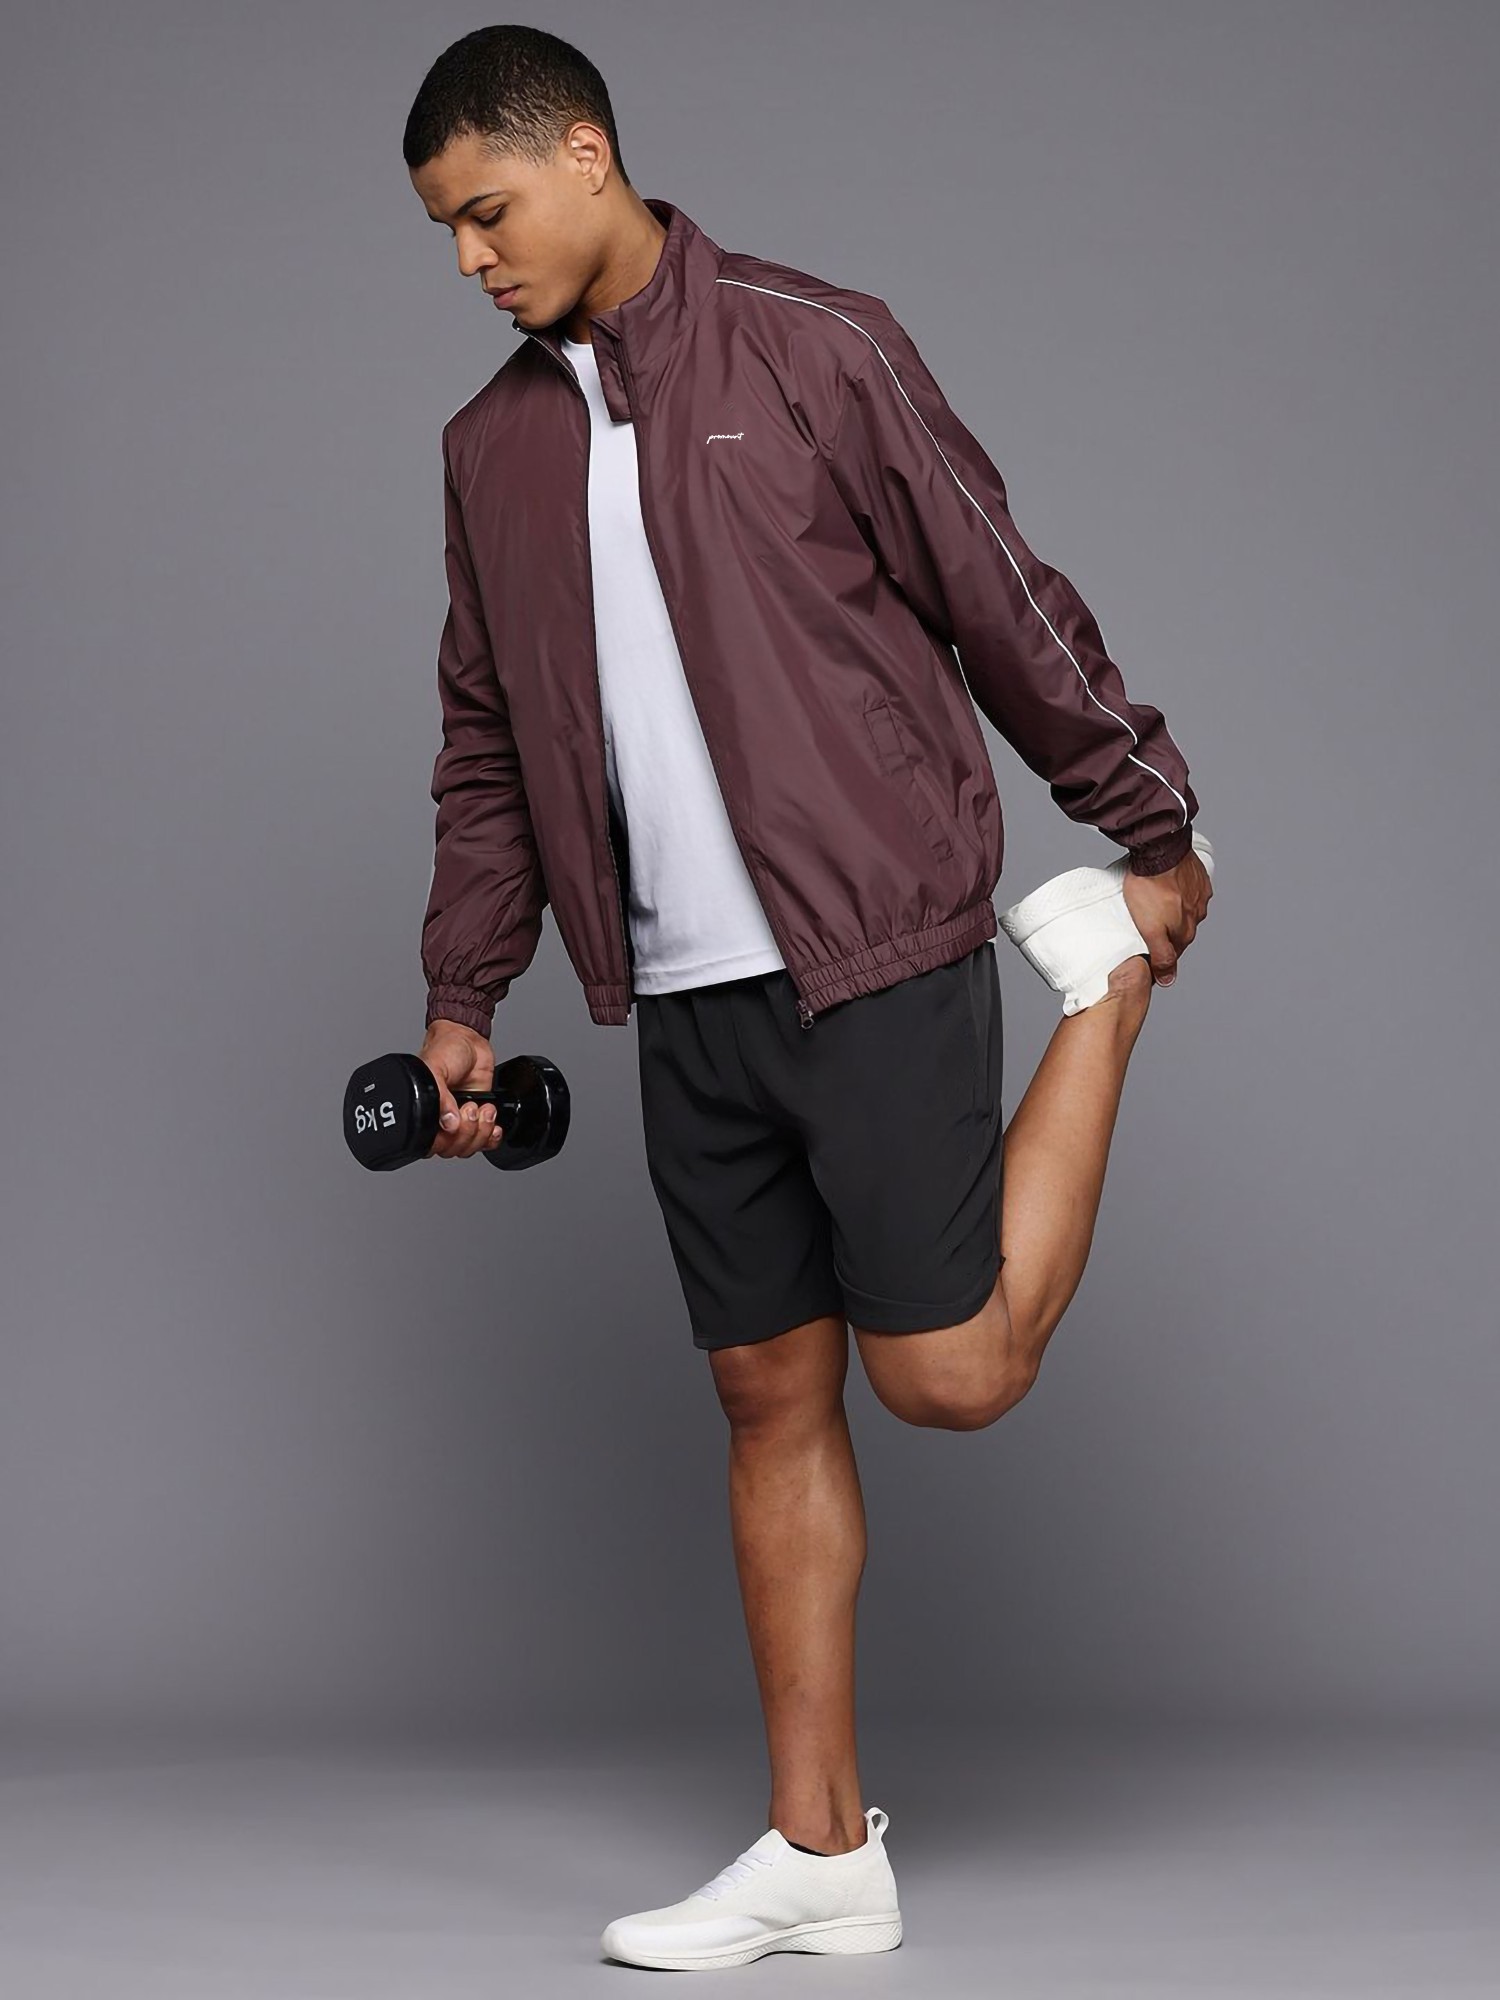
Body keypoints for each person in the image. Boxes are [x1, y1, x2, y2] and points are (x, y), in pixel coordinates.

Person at [401, 24, 1214, 1973]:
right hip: (681, 995)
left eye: (487, 213)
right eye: (444, 236)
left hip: (871, 945)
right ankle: (819, 1850)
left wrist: (1148, 822)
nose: (471, 261)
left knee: (949, 1376)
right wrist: (462, 989)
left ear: (586, 153)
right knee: (768, 1395)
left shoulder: (814, 346)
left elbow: (994, 587)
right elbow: (487, 741)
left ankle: (1107, 990)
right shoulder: (489, 449)